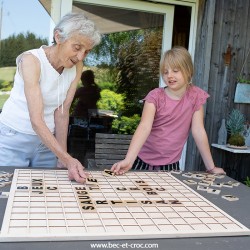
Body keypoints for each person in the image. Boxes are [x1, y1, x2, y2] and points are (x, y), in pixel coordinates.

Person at [0, 12, 101, 183]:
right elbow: (36, 119)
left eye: (87, 51)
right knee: (8, 193)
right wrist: (68, 158)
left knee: (46, 192)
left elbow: (62, 112)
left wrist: (62, 156)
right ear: (58, 36)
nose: (80, 57)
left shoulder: (76, 67)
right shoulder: (31, 61)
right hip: (13, 138)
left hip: (47, 142)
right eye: (77, 48)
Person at [111, 46, 226, 175]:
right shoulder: (155, 96)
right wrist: (129, 160)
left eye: (175, 70)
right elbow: (144, 127)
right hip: (142, 162)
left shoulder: (196, 97)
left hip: (171, 165)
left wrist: (211, 167)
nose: (169, 75)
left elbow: (198, 131)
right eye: (165, 72)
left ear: (188, 71)